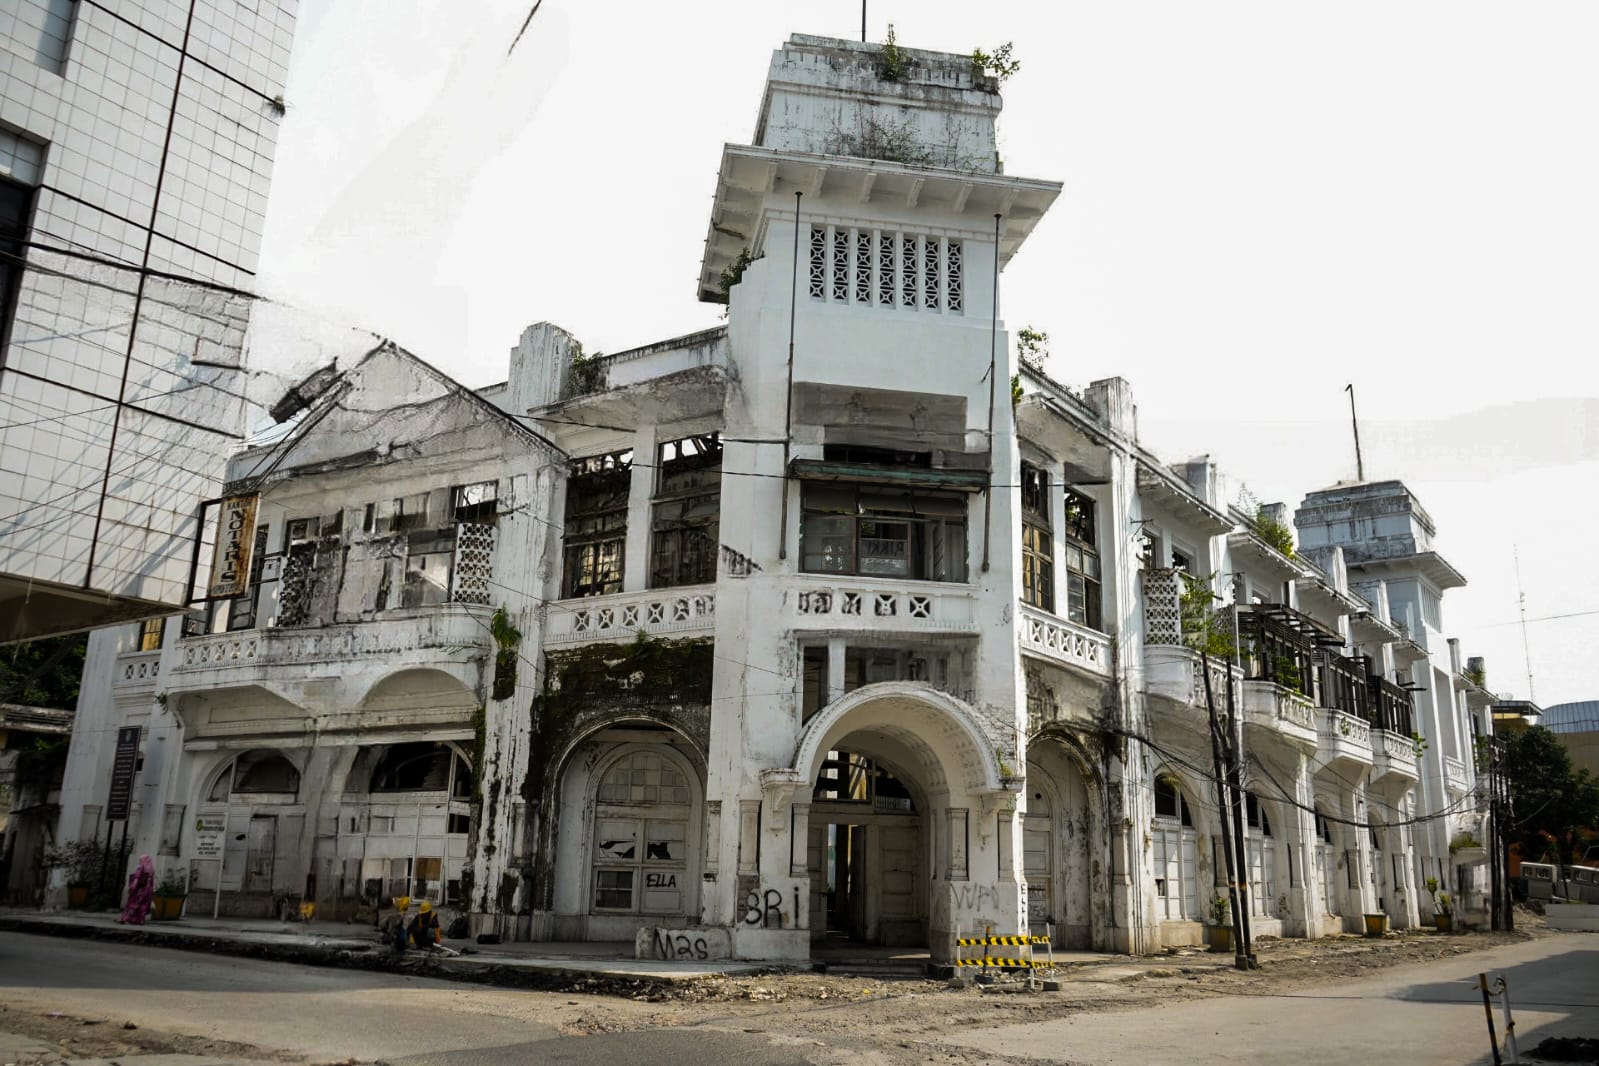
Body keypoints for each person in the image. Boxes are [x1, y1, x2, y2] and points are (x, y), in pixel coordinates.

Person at [120, 855, 155, 925]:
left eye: (140, 860)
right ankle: (140, 920)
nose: (140, 861)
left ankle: (126, 918)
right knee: (143, 906)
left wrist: (132, 887)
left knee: (133, 904)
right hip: (147, 890)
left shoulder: (140, 867)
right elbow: (151, 882)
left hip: (139, 889)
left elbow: (137, 877)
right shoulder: (151, 869)